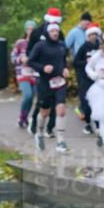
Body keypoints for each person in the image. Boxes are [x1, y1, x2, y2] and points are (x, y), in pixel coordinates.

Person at [27, 20, 70, 153]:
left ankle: (61, 141)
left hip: (60, 82)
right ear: (47, 32)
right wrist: (43, 67)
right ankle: (39, 134)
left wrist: (65, 69)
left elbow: (63, 61)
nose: (55, 33)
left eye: (57, 31)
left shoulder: (62, 46)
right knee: (44, 112)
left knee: (61, 110)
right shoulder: (40, 46)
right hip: (45, 83)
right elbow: (30, 62)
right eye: (52, 31)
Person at [28, 8, 64, 136]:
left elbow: (63, 52)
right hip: (40, 72)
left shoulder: (60, 34)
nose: (55, 31)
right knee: (42, 101)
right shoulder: (37, 32)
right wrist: (41, 67)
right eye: (52, 26)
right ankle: (34, 124)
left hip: (56, 74)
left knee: (55, 100)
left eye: (57, 27)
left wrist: (63, 67)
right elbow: (29, 52)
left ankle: (50, 128)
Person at [72, 23, 101, 135]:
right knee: (86, 103)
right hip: (85, 79)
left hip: (97, 79)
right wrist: (86, 62)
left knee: (97, 103)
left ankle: (98, 125)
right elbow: (75, 62)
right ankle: (88, 124)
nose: (93, 37)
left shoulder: (100, 47)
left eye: (95, 34)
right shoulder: (84, 47)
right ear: (87, 36)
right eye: (90, 35)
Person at [11, 20, 37, 128]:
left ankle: (25, 117)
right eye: (29, 29)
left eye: (32, 29)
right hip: (22, 73)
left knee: (32, 98)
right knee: (27, 95)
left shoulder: (38, 43)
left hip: (35, 73)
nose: (30, 31)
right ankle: (21, 117)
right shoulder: (20, 43)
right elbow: (12, 57)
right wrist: (20, 59)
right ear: (26, 30)